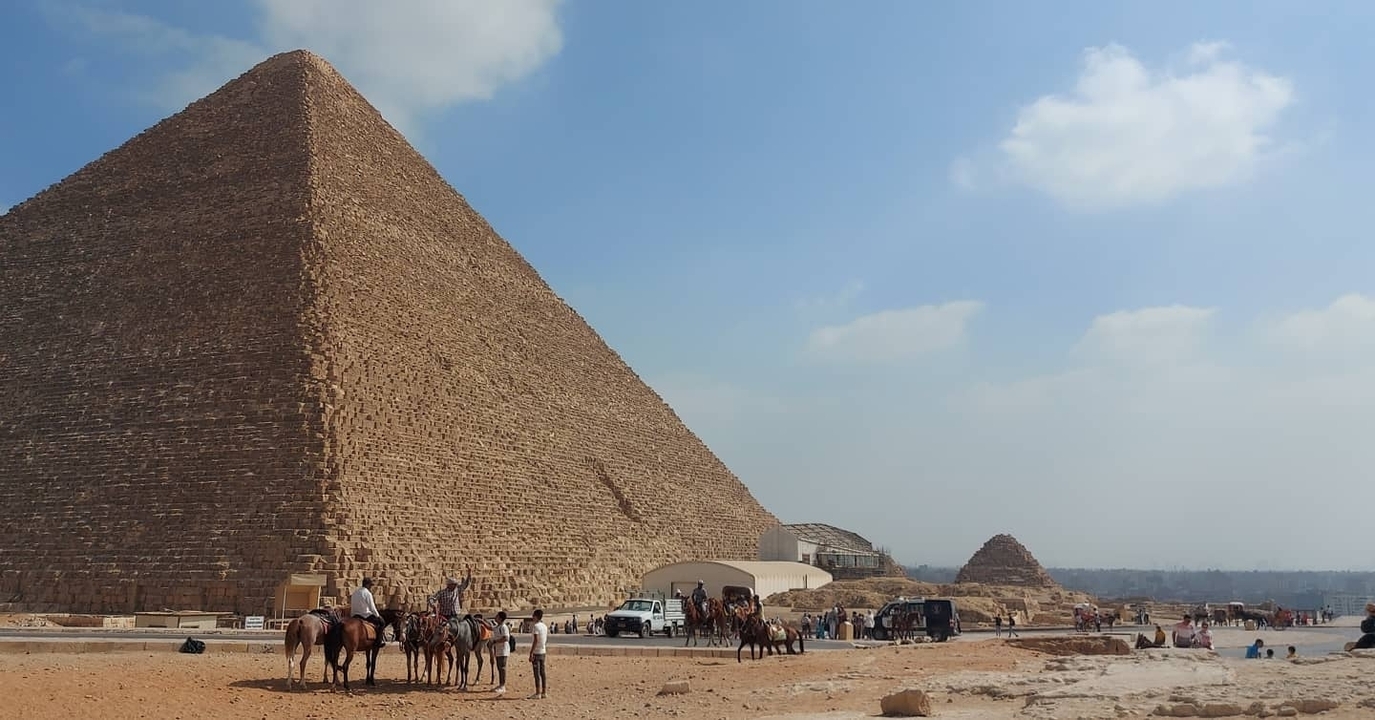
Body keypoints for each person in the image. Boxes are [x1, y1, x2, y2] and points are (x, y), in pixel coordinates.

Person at [350, 577, 387, 645]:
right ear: (367, 585)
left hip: (354, 615)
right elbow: (372, 608)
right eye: (370, 585)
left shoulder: (355, 592)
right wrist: (378, 616)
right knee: (382, 623)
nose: (371, 587)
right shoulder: (367, 593)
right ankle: (379, 641)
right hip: (364, 615)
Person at [528, 608, 548, 700]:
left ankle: (537, 693)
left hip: (537, 652)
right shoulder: (544, 626)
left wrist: (531, 652)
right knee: (542, 673)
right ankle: (544, 692)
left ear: (536, 616)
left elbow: (535, 640)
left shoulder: (536, 626)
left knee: (536, 673)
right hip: (543, 651)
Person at [491, 610, 511, 696]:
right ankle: (500, 684)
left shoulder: (503, 627)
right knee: (499, 667)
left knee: (502, 668)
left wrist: (495, 641)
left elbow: (506, 638)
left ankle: (503, 686)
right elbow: (490, 628)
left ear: (500, 618)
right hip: (498, 650)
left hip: (503, 650)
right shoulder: (497, 627)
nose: (495, 617)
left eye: (497, 616)